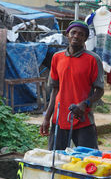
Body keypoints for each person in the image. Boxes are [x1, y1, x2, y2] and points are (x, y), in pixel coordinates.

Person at [40, 20, 104, 150]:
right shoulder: (57, 58)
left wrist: (85, 104)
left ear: (85, 38)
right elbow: (55, 91)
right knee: (56, 160)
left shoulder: (93, 59)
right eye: (73, 32)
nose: (76, 36)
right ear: (67, 35)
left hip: (83, 118)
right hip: (59, 118)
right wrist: (47, 118)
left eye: (81, 34)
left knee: (88, 160)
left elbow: (99, 91)